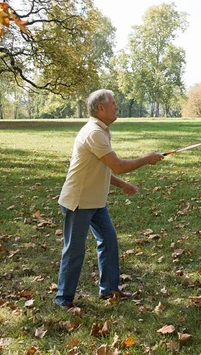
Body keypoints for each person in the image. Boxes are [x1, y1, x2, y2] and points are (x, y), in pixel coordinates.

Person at [55, 89, 164, 309]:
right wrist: (147, 159)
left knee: (109, 241)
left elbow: (102, 168)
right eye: (113, 103)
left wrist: (122, 185)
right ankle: (63, 299)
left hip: (95, 201)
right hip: (79, 201)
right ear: (101, 108)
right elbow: (118, 165)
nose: (117, 107)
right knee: (74, 251)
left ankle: (110, 290)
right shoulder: (94, 132)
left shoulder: (102, 131)